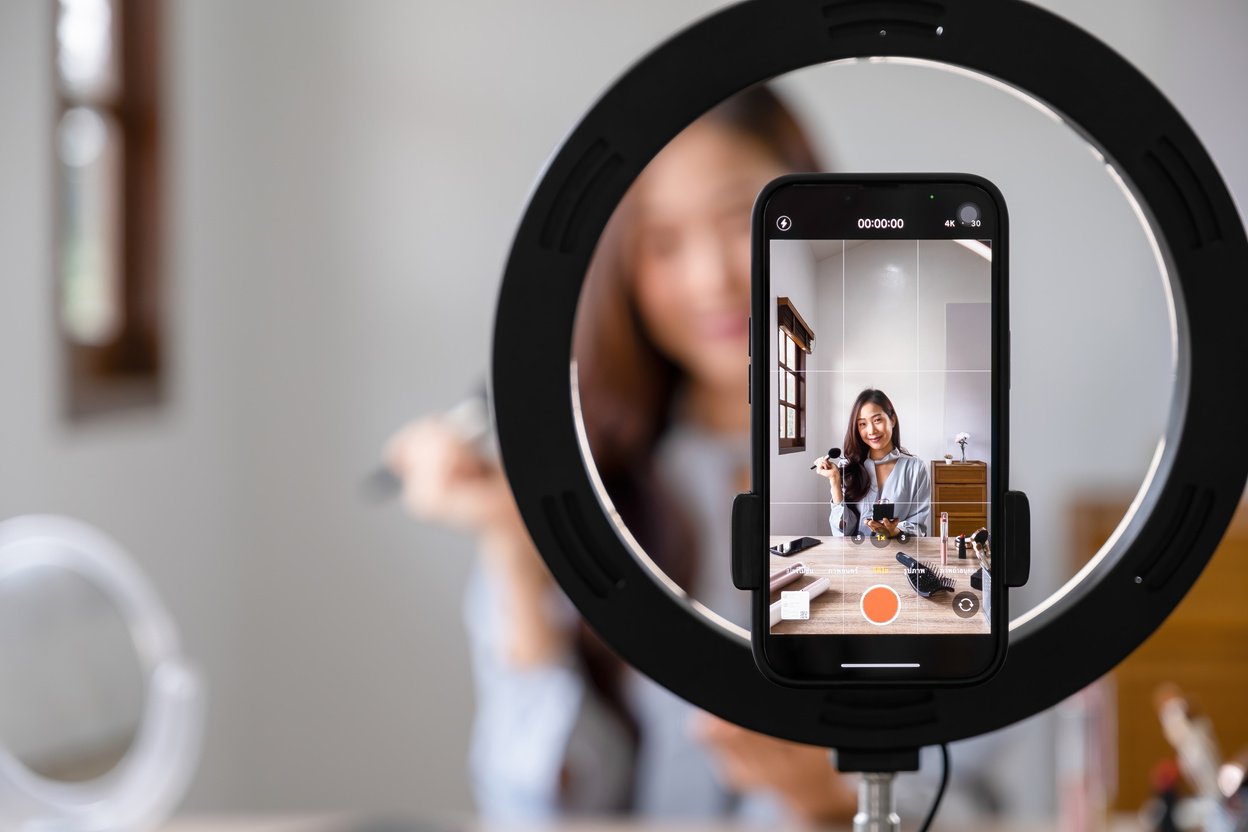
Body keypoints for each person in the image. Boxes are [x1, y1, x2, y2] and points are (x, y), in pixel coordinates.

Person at [387, 88, 1042, 825]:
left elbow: (988, 792)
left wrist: (829, 799)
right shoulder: (586, 489)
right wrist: (513, 552)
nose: (711, 280)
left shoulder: (943, 478)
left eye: (739, 221)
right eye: (662, 244)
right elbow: (536, 807)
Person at [814, 388, 932, 539]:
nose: (871, 430)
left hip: (897, 556)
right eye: (862, 424)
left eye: (877, 420)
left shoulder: (915, 468)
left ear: (892, 420)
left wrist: (895, 531)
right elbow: (843, 532)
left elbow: (919, 527)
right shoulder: (847, 466)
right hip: (855, 557)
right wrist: (835, 481)